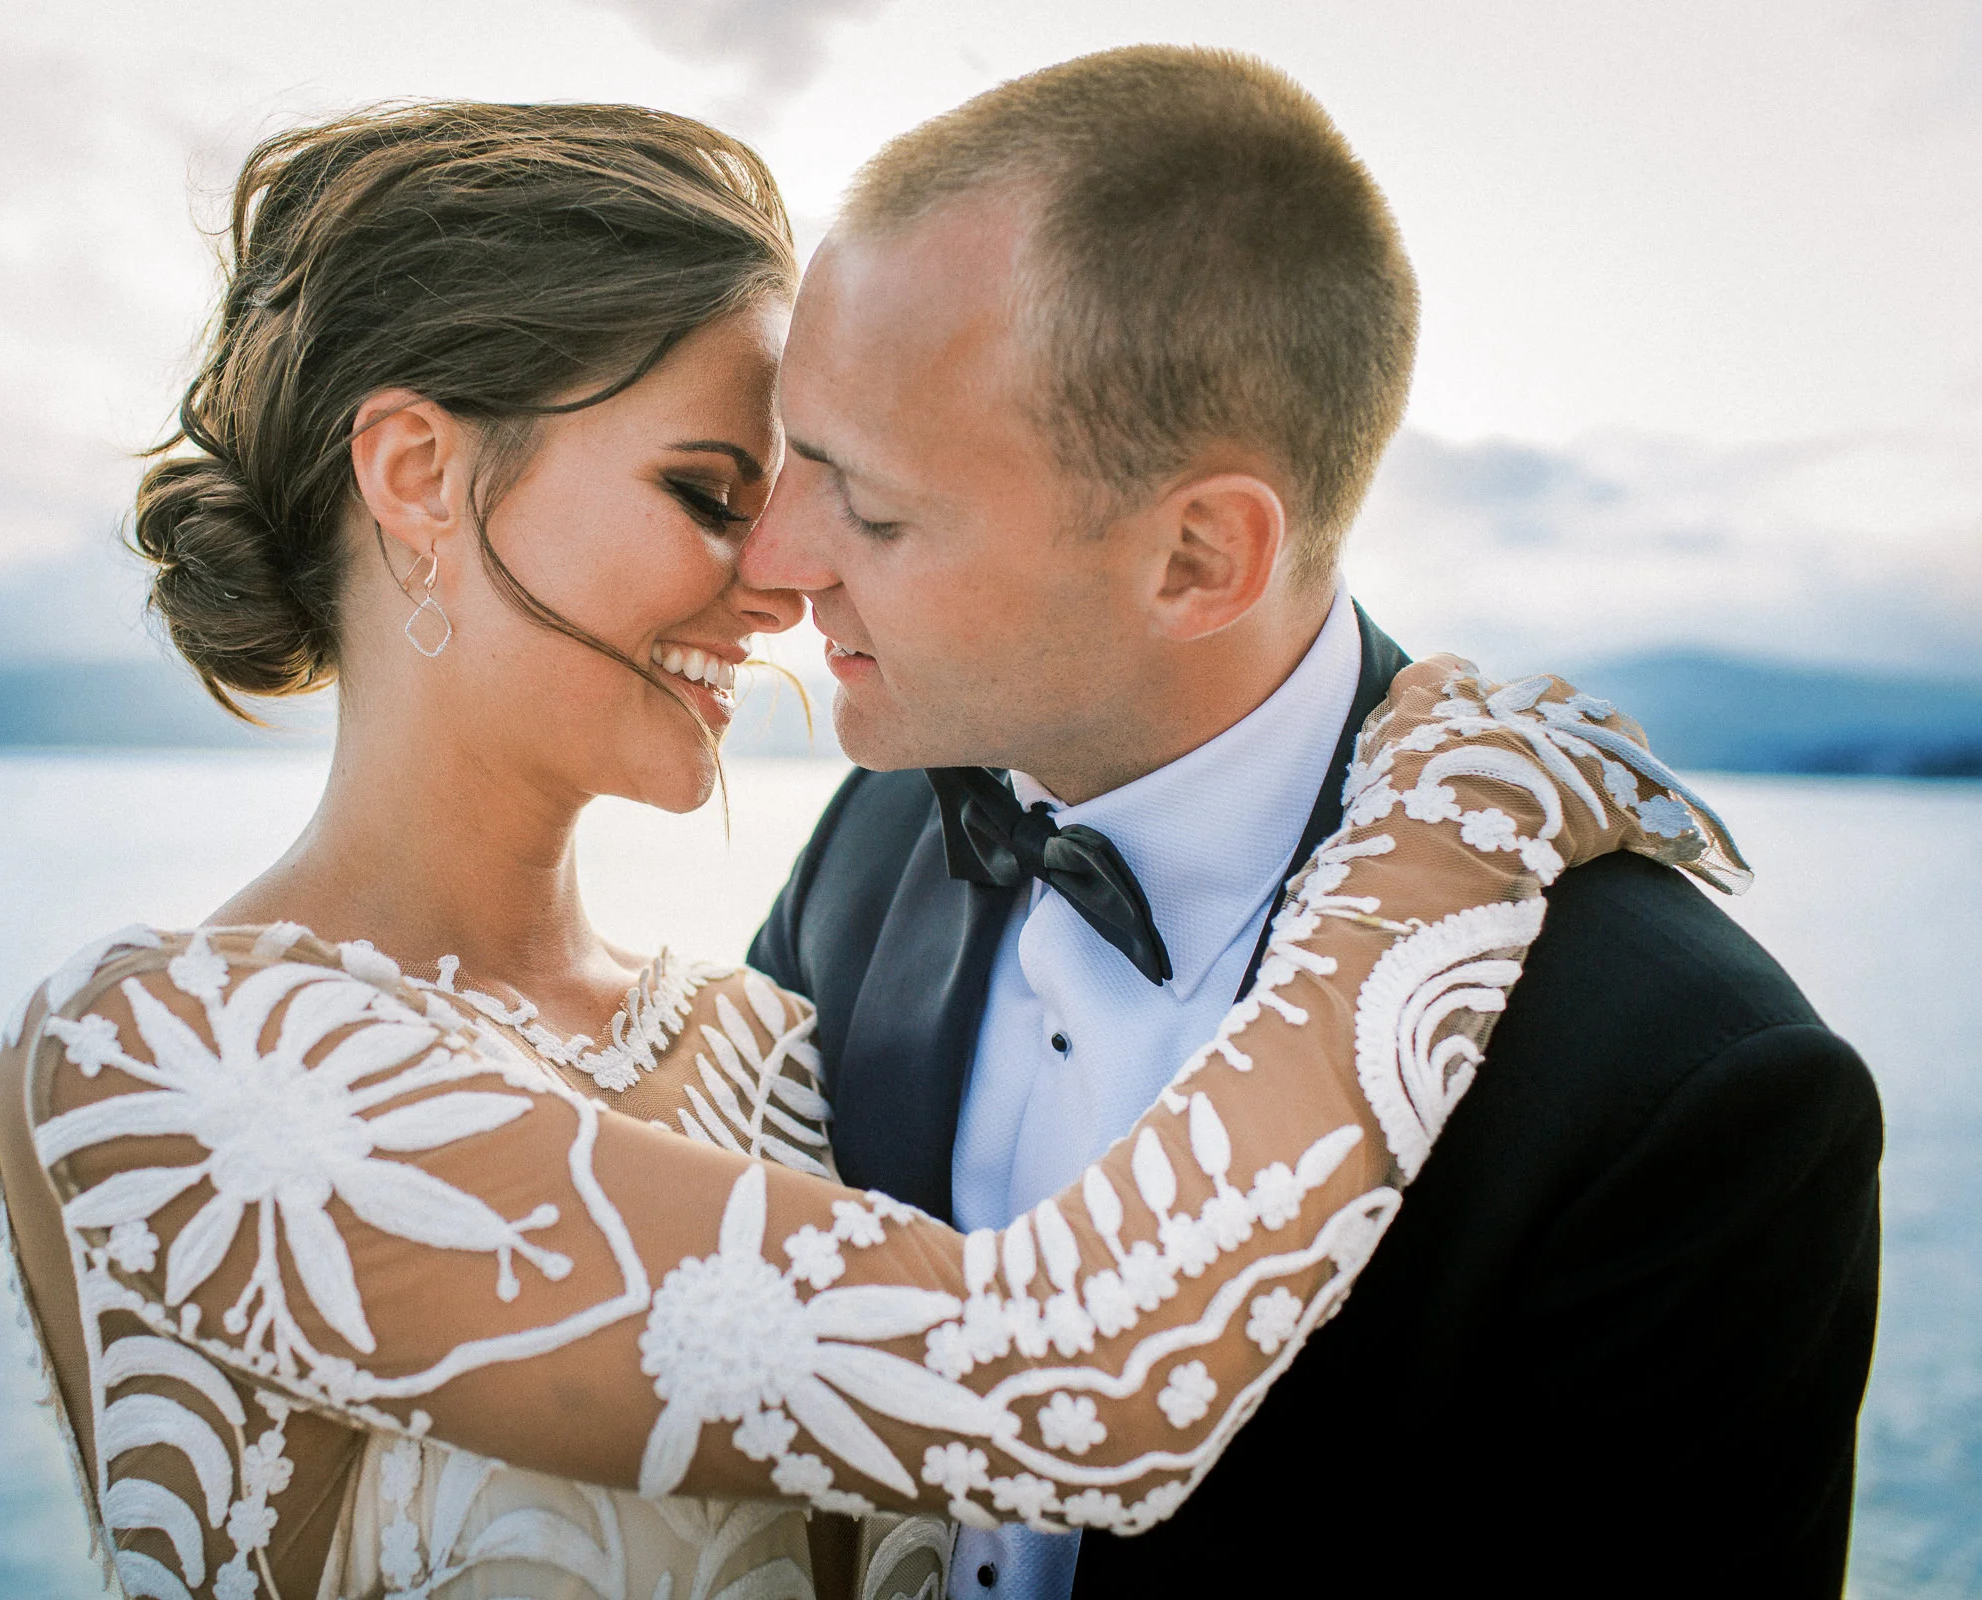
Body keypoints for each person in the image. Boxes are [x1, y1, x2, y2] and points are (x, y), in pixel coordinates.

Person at [0, 97, 1741, 1600]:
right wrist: (1437, 840)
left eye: (813, 490)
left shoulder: (770, 1041)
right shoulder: (159, 1062)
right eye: (708, 491)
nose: (788, 574)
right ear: (414, 472)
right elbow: (1074, 1377)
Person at [742, 46, 1884, 1599]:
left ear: (1201, 558)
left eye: (868, 507)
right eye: (786, 457)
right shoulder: (876, 837)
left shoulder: (1683, 1092)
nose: (777, 554)